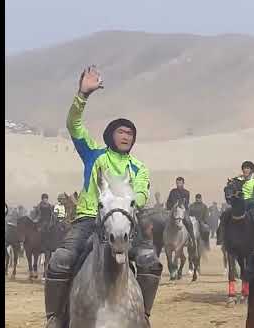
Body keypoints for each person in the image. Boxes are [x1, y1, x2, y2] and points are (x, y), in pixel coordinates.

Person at [44, 66, 163, 328]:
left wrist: (127, 205)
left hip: (126, 222)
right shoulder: (94, 155)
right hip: (88, 220)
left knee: (151, 263)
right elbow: (73, 125)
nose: (126, 135)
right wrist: (82, 95)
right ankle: (55, 317)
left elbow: (141, 193)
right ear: (110, 136)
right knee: (60, 260)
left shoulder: (139, 168)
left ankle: (143, 315)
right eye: (121, 131)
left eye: (130, 133)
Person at [216, 161, 254, 245]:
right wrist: (230, 188)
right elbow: (229, 190)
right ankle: (221, 238)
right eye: (244, 168)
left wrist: (246, 202)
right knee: (224, 215)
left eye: (248, 168)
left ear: (251, 170)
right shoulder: (237, 179)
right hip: (238, 206)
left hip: (251, 206)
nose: (245, 170)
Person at [165, 177, 197, 251]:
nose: (178, 184)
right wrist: (170, 207)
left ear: (183, 183)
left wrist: (182, 207)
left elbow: (186, 203)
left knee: (188, 221)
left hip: (182, 211)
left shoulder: (186, 192)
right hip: (173, 211)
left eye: (180, 183)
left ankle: (192, 239)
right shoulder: (172, 192)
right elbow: (168, 201)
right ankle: (164, 240)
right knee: (164, 221)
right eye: (177, 183)